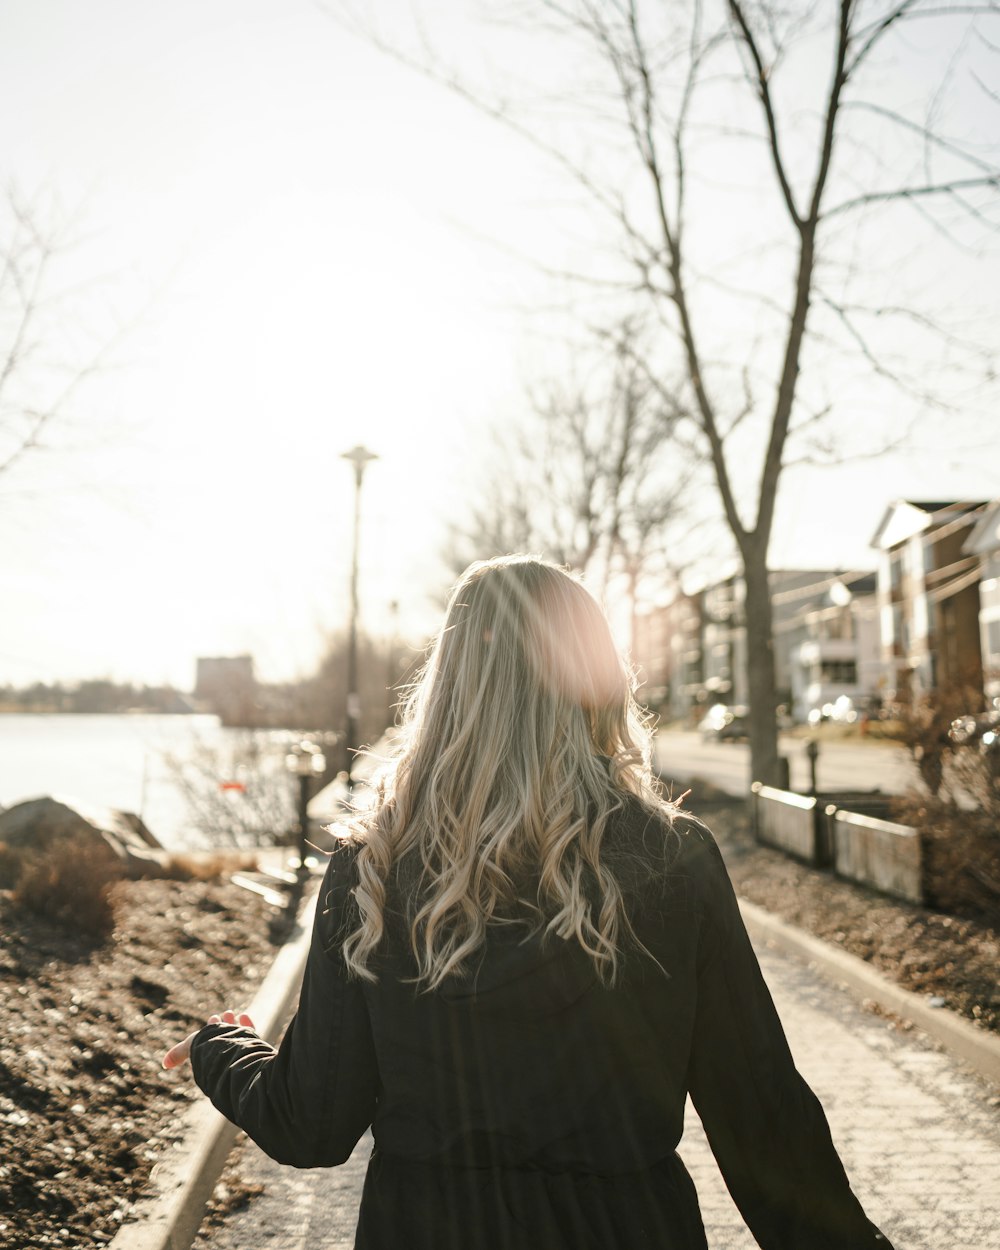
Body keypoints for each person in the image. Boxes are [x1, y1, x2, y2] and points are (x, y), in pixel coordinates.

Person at [164, 555, 893, 1249]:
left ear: (450, 687)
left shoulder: (374, 867)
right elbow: (761, 1115)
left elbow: (311, 1125)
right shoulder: (671, 856)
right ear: (597, 679)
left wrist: (219, 1047)